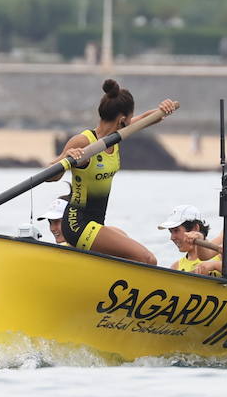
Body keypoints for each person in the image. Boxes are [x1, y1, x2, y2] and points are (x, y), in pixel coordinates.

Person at [50, 79, 179, 263]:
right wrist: (67, 158)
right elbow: (51, 176)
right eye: (130, 118)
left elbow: (147, 119)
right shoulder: (83, 142)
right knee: (148, 259)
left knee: (123, 236)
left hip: (95, 222)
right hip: (77, 223)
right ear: (122, 120)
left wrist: (164, 108)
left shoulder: (116, 136)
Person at [159, 204, 213, 274]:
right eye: (170, 232)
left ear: (195, 228)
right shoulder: (175, 267)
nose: (172, 238)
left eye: (176, 230)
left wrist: (214, 266)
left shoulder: (221, 255)